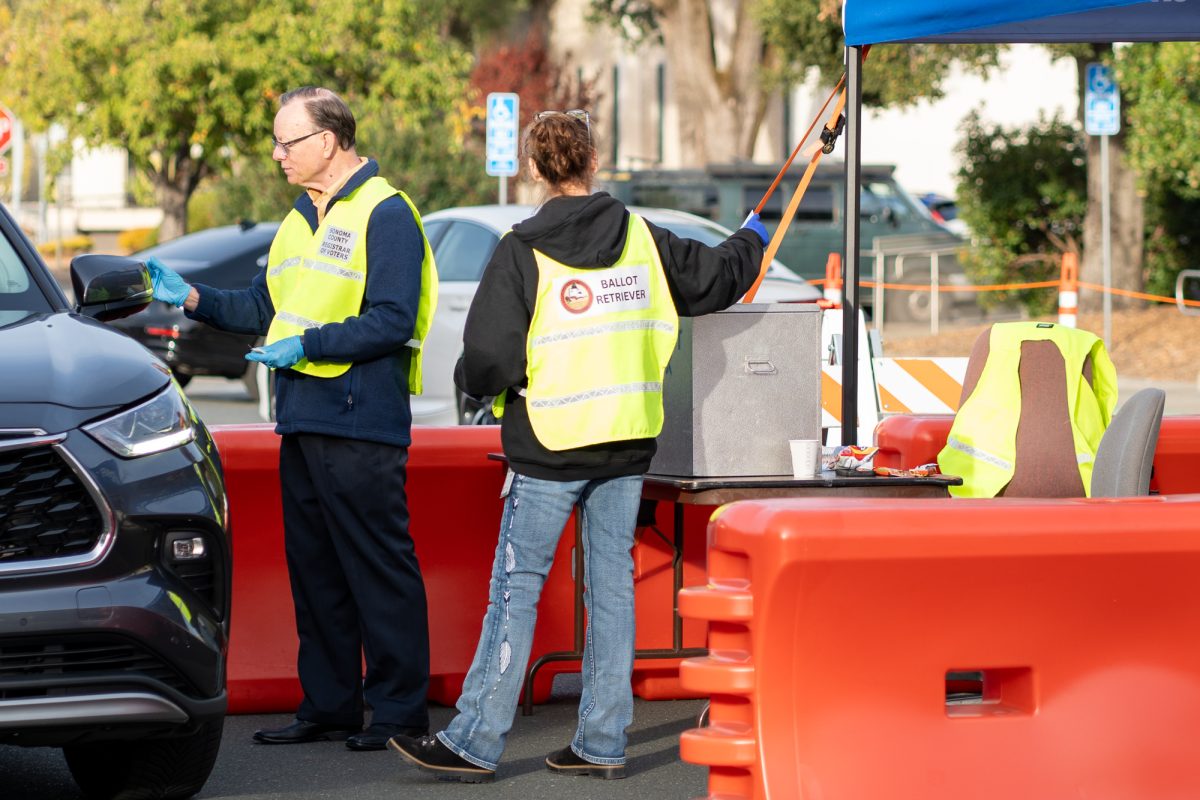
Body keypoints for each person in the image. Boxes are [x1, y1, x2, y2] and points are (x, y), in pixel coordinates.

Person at [388, 109, 769, 783]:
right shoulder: (643, 238)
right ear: (594, 161)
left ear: (534, 169)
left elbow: (485, 359)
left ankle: (476, 740)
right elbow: (715, 279)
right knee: (612, 591)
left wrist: (495, 389)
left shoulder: (518, 250)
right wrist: (751, 239)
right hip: (625, 439)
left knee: (515, 590)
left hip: (548, 445)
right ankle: (600, 742)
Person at [144, 86, 437, 751]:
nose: (277, 154)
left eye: (287, 141)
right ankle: (329, 707)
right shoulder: (299, 221)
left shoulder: (384, 213)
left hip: (361, 421)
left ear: (327, 142)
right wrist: (189, 297)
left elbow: (391, 319)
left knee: (378, 572)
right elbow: (260, 306)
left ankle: (398, 715)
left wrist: (310, 345)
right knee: (318, 573)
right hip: (303, 419)